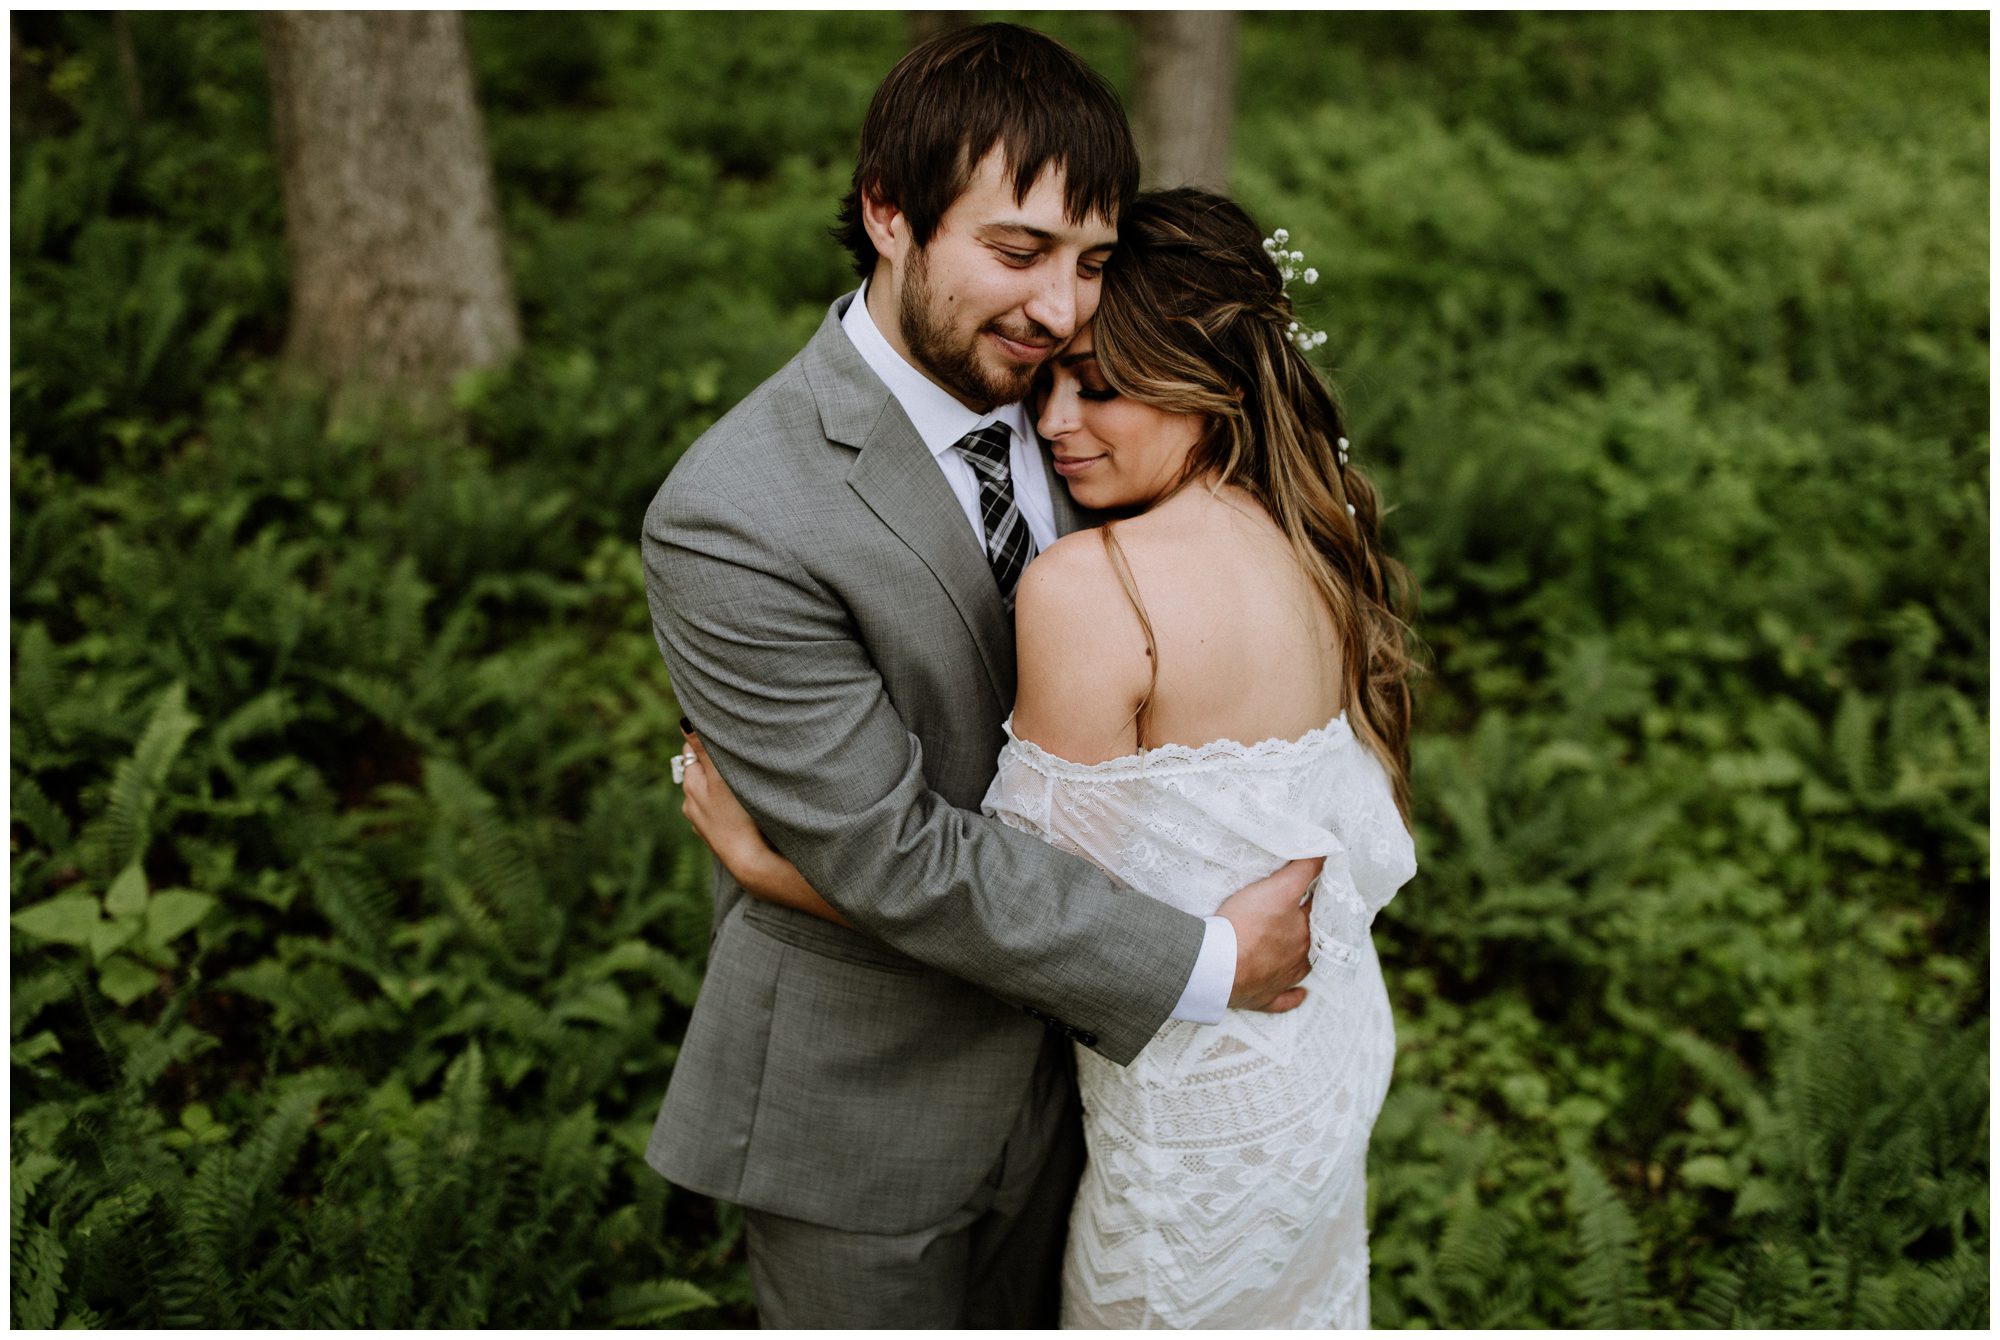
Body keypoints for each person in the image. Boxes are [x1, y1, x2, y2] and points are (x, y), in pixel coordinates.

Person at [639, 24, 1321, 1329]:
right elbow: (892, 854)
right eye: (1017, 253)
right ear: (890, 213)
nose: (1063, 311)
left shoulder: (1090, 407)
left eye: (1092, 262)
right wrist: (1200, 960)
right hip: (866, 1113)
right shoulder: (734, 515)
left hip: (1082, 1098)